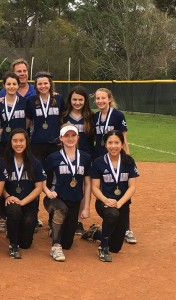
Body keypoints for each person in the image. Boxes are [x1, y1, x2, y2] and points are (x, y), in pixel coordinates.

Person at [42, 124, 92, 262]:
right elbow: (41, 178)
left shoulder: (86, 158)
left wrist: (86, 207)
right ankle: (55, 247)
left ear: (78, 137)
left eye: (73, 135)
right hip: (55, 198)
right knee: (61, 210)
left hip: (74, 200)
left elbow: (87, 184)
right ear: (61, 138)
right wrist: (47, 192)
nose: (70, 138)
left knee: (68, 244)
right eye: (66, 136)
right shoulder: (53, 157)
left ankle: (57, 229)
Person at [93, 88, 136, 244]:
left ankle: (127, 228)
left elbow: (123, 138)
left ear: (109, 99)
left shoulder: (117, 115)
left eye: (103, 98)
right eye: (97, 98)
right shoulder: (95, 116)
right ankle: (109, 224)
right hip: (100, 158)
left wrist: (127, 158)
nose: (100, 101)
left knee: (121, 188)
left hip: (117, 157)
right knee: (105, 191)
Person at [90, 130, 138, 262]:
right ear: (105, 145)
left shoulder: (128, 161)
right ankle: (103, 247)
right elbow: (94, 187)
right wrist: (105, 199)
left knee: (116, 247)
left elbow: (132, 186)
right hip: (104, 203)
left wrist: (120, 203)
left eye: (117, 142)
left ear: (122, 144)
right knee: (112, 215)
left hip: (122, 204)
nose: (113, 146)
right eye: (110, 142)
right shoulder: (99, 162)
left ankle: (97, 233)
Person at [0, 72, 28, 232]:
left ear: (18, 85)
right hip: (4, 146)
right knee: (3, 178)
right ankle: (2, 216)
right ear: (4, 86)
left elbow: (29, 120)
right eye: (8, 84)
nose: (12, 86)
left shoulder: (25, 102)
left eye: (14, 84)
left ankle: (19, 211)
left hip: (20, 145)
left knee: (19, 176)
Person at [3, 128, 45, 259]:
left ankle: (13, 229)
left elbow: (39, 187)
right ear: (10, 143)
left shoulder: (35, 163)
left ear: (26, 142)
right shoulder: (4, 162)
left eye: (21, 140)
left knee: (26, 243)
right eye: (15, 141)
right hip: (11, 201)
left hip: (29, 202)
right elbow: (0, 186)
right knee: (14, 211)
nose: (18, 144)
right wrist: (8, 196)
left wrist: (23, 201)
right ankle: (13, 245)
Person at [61, 86, 94, 235]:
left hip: (85, 157)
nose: (77, 102)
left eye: (80, 99)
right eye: (74, 99)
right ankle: (60, 218)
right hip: (67, 156)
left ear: (85, 101)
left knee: (82, 187)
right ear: (70, 100)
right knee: (66, 186)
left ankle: (78, 221)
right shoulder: (64, 116)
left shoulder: (90, 117)